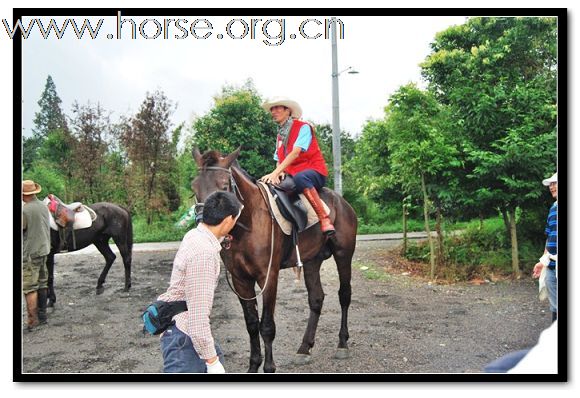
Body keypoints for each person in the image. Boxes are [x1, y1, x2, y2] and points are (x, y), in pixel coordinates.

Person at [157, 191, 242, 373]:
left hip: (178, 329)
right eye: (235, 219)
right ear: (228, 220)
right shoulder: (204, 254)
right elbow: (197, 317)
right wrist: (211, 362)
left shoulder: (194, 235)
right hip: (184, 338)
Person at [260, 97, 335, 235]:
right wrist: (280, 171)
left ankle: (324, 218)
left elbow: (295, 153)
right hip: (292, 174)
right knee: (271, 186)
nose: (273, 112)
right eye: (272, 109)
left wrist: (276, 172)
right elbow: (278, 158)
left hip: (314, 171)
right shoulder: (280, 135)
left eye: (277, 108)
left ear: (288, 110)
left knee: (301, 178)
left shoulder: (303, 127)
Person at [22, 180, 51, 331]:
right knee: (42, 282)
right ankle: (43, 316)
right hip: (44, 249)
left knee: (29, 287)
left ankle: (32, 321)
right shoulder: (43, 206)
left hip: (30, 253)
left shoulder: (25, 210)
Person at [532, 172, 558, 323]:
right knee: (554, 306)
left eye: (555, 183)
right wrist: (542, 261)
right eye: (551, 184)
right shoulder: (553, 209)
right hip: (551, 265)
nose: (552, 187)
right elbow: (549, 237)